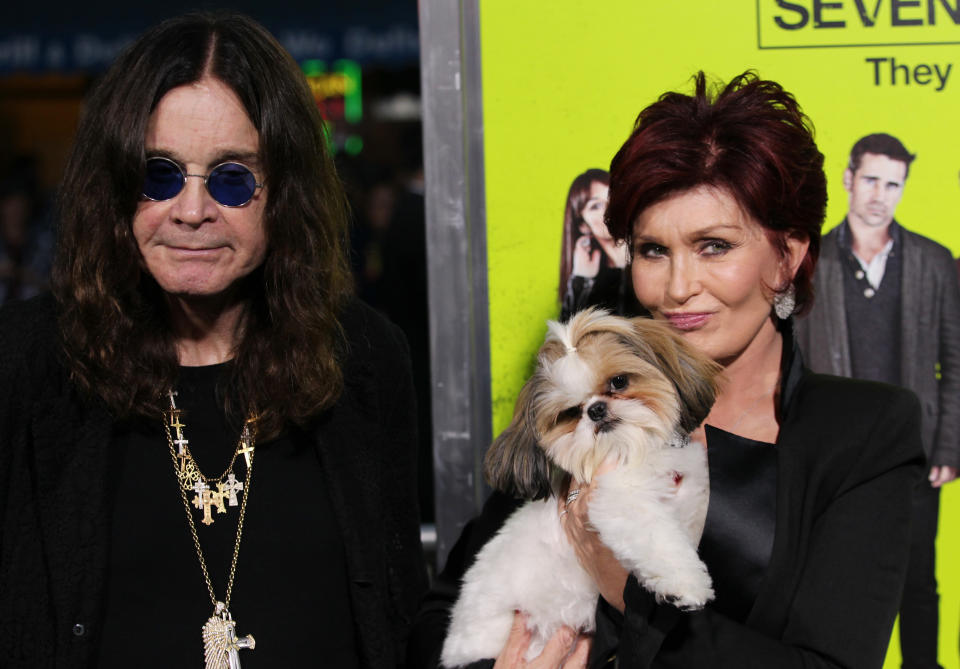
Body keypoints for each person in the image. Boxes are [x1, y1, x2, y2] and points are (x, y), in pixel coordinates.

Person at [409, 72, 924, 668]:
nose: (678, 288)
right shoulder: (588, 403)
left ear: (788, 256)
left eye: (714, 246)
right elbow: (437, 617)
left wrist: (626, 590)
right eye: (654, 251)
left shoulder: (864, 432)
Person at [0, 12, 426, 668]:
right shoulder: (28, 363)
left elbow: (398, 618)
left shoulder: (365, 359)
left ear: (283, 193)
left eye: (231, 178)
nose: (192, 210)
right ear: (117, 190)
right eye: (159, 174)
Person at [796, 133, 960, 669]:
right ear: (848, 179)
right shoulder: (809, 260)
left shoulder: (935, 262)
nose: (879, 195)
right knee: (836, 583)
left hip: (916, 454)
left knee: (917, 581)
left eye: (893, 184)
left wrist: (948, 448)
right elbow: (789, 364)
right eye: (870, 179)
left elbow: (955, 361)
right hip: (838, 454)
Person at [558, 169, 637, 321]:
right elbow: (567, 340)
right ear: (583, 225)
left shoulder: (652, 257)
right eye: (596, 206)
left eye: (613, 198)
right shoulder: (589, 282)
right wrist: (581, 280)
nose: (610, 209)